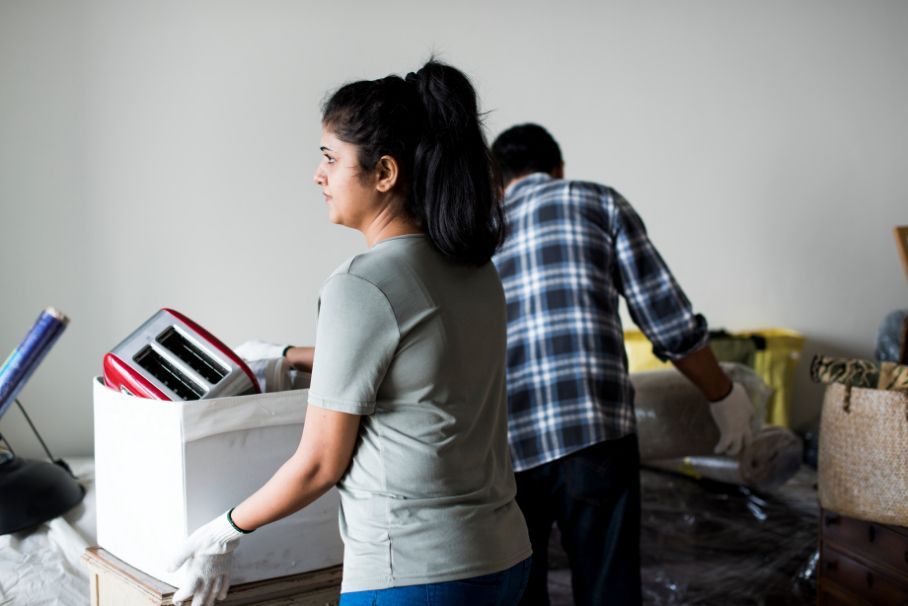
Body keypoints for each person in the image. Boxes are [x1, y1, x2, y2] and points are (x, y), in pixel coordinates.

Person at [169, 62, 532, 606]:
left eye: (330, 159)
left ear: (384, 173)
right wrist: (290, 358)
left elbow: (318, 464)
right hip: (504, 560)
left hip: (414, 572)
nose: (319, 176)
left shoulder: (362, 285)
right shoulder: (475, 270)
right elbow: (421, 366)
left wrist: (224, 531)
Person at [489, 123, 754, 606]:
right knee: (608, 592)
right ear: (560, 169)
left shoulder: (480, 229)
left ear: (496, 180)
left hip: (505, 449)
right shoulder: (598, 201)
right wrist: (724, 394)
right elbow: (666, 317)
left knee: (517, 594)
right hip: (595, 434)